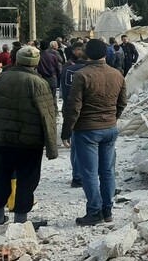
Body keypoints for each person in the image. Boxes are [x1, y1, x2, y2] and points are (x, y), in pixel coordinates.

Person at [0, 46, 57, 228]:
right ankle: (21, 221)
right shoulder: (38, 83)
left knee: (1, 175)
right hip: (29, 143)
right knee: (27, 179)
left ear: (16, 60)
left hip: (2, 140)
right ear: (36, 63)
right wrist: (51, 147)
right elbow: (48, 115)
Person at [61, 39, 127, 226]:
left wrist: (67, 131)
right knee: (107, 171)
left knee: (89, 173)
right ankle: (107, 210)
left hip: (87, 130)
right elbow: (122, 103)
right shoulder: (117, 74)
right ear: (105, 54)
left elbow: (74, 107)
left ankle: (94, 211)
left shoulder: (82, 75)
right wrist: (112, 118)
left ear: (85, 53)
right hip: (109, 128)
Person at [60, 42, 86, 188]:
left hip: (71, 111)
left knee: (76, 145)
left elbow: (64, 92)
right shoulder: (90, 71)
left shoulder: (67, 69)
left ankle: (77, 176)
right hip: (89, 115)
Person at [37, 40, 61, 109]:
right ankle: (54, 110)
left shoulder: (38, 56)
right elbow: (57, 68)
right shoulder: (53, 56)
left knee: (42, 97)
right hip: (52, 78)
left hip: (41, 78)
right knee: (53, 96)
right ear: (48, 47)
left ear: (40, 47)